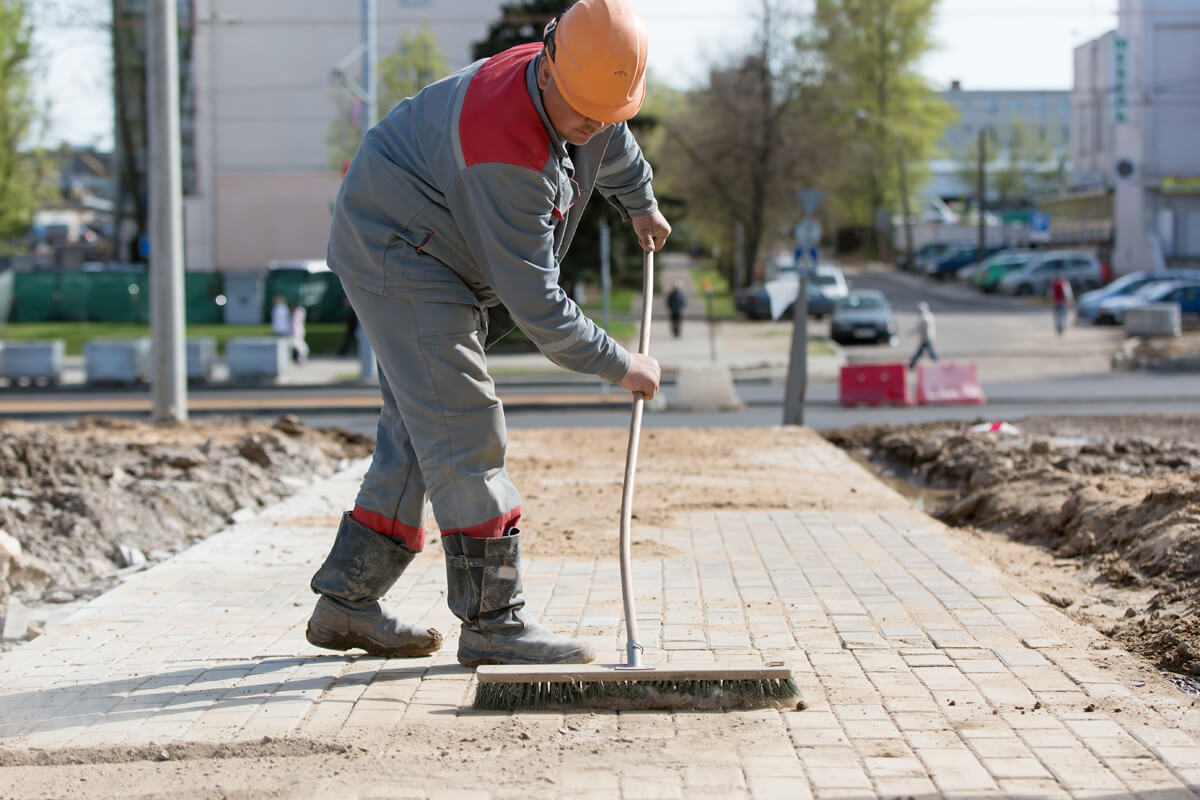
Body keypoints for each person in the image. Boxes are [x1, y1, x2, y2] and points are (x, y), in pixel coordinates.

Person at [306, 0, 670, 668]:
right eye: (583, 111)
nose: (592, 126)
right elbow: (537, 304)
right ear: (549, 65)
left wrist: (640, 201)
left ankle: (346, 601)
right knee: (465, 423)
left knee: (424, 428)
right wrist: (623, 365)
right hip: (400, 249)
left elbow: (609, 136)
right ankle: (494, 623)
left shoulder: (578, 86)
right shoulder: (502, 149)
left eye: (608, 112)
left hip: (429, 239)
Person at [908, 301, 938, 369]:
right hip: (928, 337)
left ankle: (912, 364)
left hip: (926, 338)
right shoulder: (930, 316)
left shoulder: (924, 318)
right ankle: (912, 364)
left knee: (929, 353)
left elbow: (919, 328)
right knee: (921, 352)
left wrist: (910, 332)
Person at [1051, 267, 1074, 336]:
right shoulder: (1064, 283)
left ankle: (1058, 327)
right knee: (1063, 315)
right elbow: (1067, 292)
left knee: (1057, 316)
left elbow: (1051, 293)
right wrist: (1070, 299)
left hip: (1056, 301)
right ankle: (1062, 327)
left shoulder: (1054, 284)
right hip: (1062, 301)